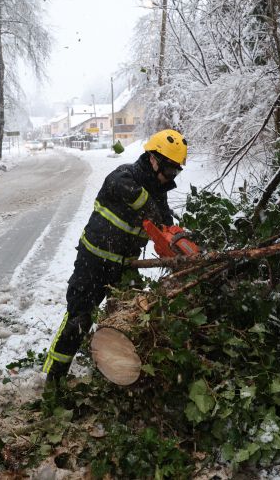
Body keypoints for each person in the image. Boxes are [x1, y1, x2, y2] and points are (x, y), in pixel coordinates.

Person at [43, 129, 188, 384]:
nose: (170, 176)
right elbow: (126, 190)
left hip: (125, 267)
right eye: (168, 169)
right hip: (93, 262)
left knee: (133, 318)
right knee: (79, 319)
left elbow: (165, 225)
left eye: (175, 171)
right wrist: (150, 207)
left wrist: (176, 242)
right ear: (152, 159)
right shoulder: (124, 175)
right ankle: (54, 378)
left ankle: (116, 374)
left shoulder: (159, 193)